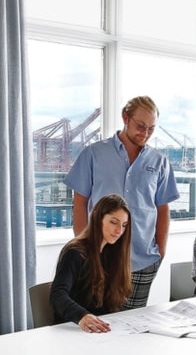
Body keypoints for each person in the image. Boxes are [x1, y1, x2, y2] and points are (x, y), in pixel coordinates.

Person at [66, 96, 178, 310]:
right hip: (100, 260)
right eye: (140, 126)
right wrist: (84, 249)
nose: (145, 133)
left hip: (142, 261)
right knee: (99, 327)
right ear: (125, 118)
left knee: (133, 331)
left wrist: (160, 251)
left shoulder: (159, 162)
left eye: (151, 129)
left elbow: (162, 208)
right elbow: (80, 203)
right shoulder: (94, 154)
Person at [50, 194, 133, 333]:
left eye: (124, 225)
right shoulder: (75, 252)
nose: (119, 231)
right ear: (97, 218)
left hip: (101, 331)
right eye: (113, 222)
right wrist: (82, 316)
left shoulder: (112, 252)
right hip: (73, 329)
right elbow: (57, 295)